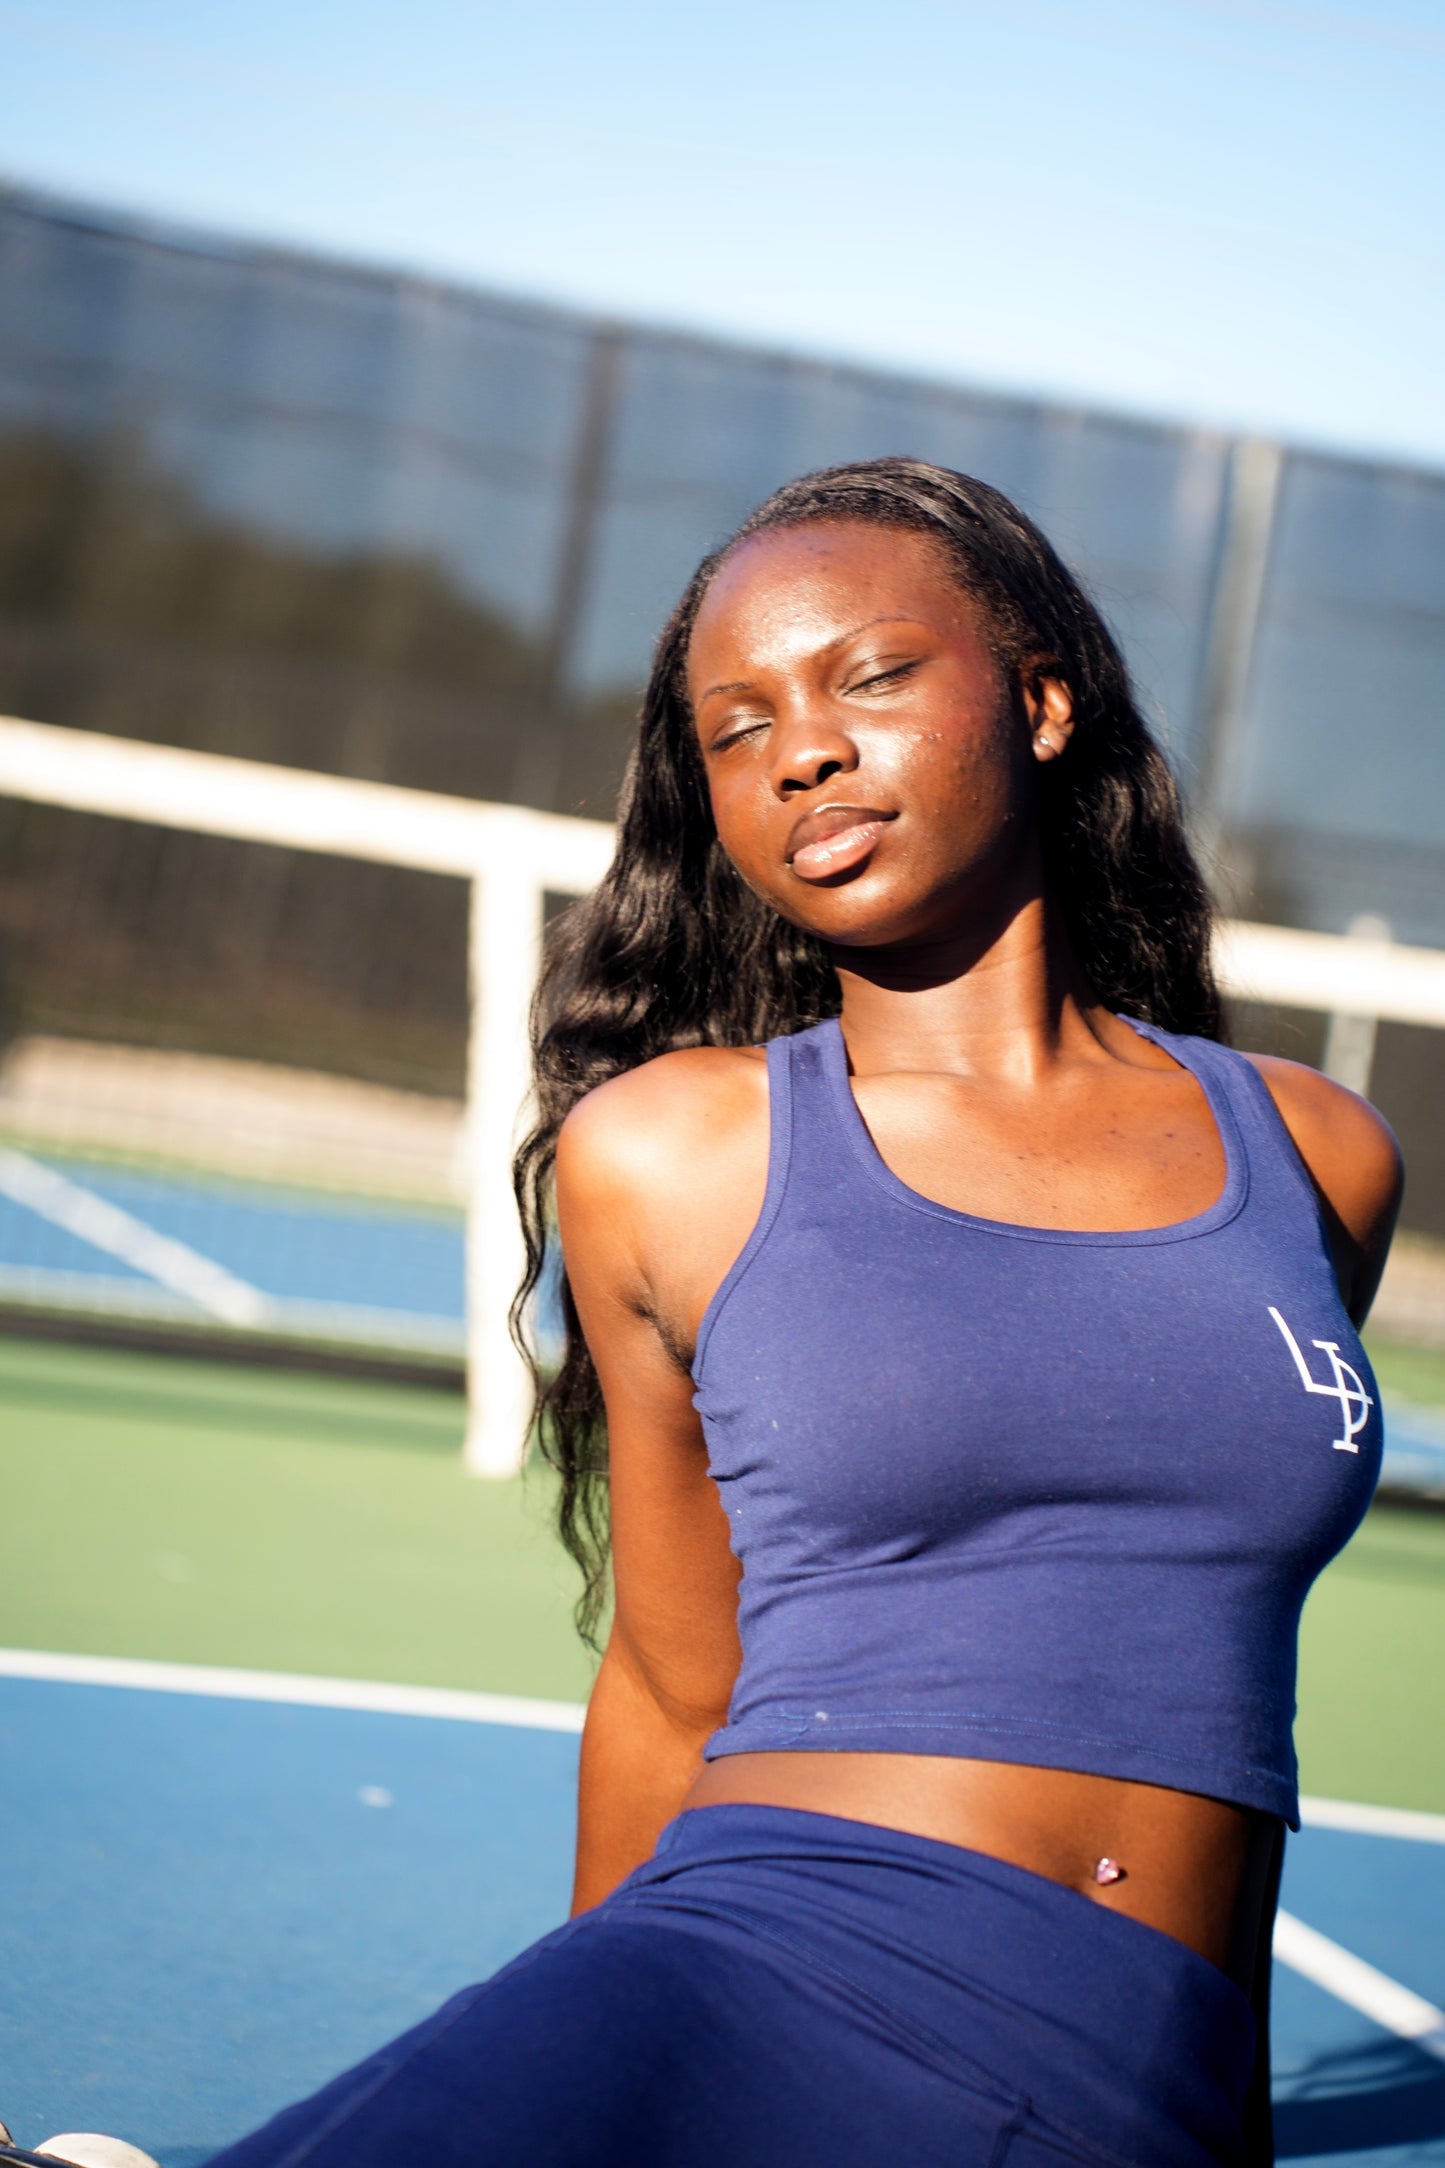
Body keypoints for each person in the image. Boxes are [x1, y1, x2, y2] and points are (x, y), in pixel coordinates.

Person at [203, 459, 1401, 2167]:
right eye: (736, 725)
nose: (800, 751)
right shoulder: (676, 1154)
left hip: (1142, 2072)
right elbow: (675, 1686)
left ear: (1042, 702)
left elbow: (1212, 1680)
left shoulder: (1312, 1151)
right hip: (744, 1970)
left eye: (869, 675)